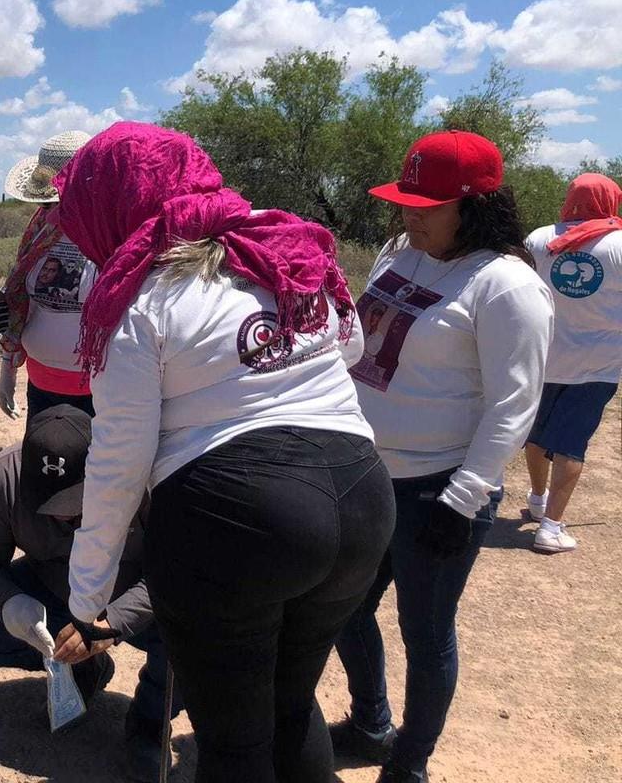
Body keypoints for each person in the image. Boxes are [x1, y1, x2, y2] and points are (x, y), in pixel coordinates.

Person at [53, 122, 393, 783]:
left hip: (239, 519)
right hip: (359, 493)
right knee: (291, 707)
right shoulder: (285, 246)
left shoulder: (139, 298)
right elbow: (348, 347)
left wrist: (85, 597)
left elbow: (119, 465)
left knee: (235, 744)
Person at [332, 131, 554, 783]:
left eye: (427, 205)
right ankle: (373, 723)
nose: (410, 214)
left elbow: (514, 407)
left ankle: (409, 765)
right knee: (343, 608)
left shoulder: (506, 286)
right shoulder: (400, 254)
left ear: (475, 205)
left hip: (438, 488)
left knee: (425, 636)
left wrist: (464, 497)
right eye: (406, 200)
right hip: (366, 475)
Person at [0, 406, 180, 782]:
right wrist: (10, 603)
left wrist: (112, 624)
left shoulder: (147, 478)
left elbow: (173, 574)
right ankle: (83, 670)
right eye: (49, 507)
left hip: (136, 598)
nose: (62, 518)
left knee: (197, 635)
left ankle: (149, 724)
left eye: (73, 505)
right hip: (54, 589)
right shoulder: (3, 478)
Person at [522, 172, 622, 553]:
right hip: (597, 363)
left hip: (543, 355)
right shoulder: (619, 244)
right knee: (571, 445)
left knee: (536, 432)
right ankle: (551, 527)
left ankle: (536, 499)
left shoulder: (539, 237)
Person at [0, 131, 97, 421]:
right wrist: (7, 367)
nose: (50, 208)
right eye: (46, 202)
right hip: (41, 381)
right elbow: (20, 297)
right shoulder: (39, 228)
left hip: (101, 386)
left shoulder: (109, 233)